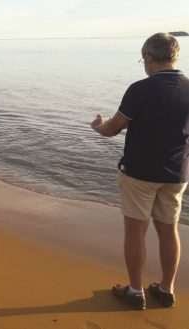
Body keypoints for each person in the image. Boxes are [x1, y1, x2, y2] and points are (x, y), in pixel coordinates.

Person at [90, 32, 189, 310]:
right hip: (176, 174)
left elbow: (112, 129)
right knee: (169, 231)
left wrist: (98, 125)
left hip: (140, 173)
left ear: (148, 58)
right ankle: (166, 290)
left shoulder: (141, 89)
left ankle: (135, 291)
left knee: (136, 232)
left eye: (142, 59)